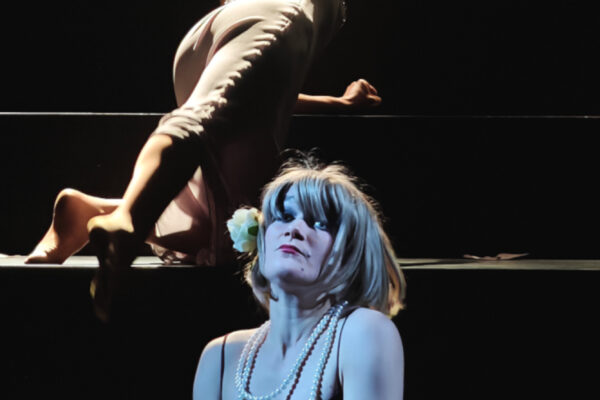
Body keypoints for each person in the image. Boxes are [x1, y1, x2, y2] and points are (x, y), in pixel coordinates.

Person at [24, 0, 381, 321]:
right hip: (276, 15)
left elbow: (266, 83)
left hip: (223, 34)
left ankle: (87, 213)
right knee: (202, 120)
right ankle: (128, 219)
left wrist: (339, 104)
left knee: (234, 231)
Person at [193, 159, 406, 400]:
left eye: (320, 223)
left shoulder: (364, 332)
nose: (294, 229)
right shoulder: (220, 357)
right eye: (284, 216)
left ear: (350, 253)